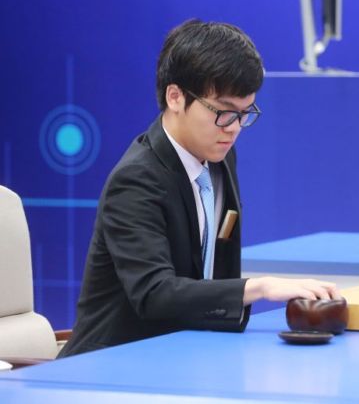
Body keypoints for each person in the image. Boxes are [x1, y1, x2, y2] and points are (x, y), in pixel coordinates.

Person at [59, 19, 339, 358]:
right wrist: (259, 287)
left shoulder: (219, 155)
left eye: (245, 113)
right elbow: (153, 293)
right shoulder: (135, 180)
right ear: (175, 97)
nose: (234, 128)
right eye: (223, 112)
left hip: (190, 353)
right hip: (113, 366)